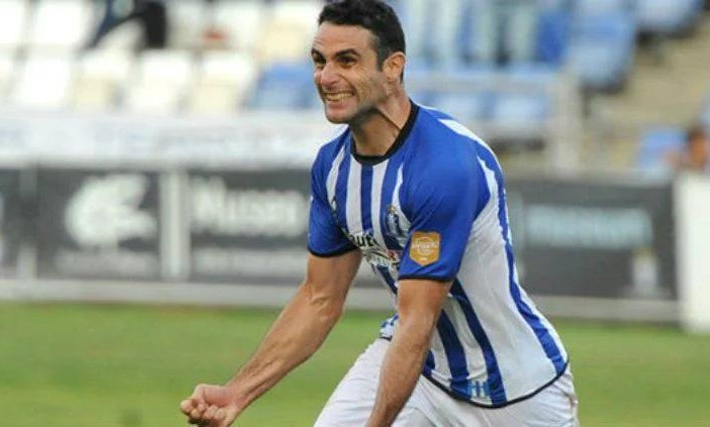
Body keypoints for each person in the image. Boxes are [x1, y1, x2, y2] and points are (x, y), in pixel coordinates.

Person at [180, 1, 578, 426]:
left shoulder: (445, 165)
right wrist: (237, 393)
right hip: (421, 369)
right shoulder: (332, 169)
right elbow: (319, 298)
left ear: (393, 67)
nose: (326, 77)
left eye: (346, 61)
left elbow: (418, 319)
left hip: (516, 391)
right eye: (319, 61)